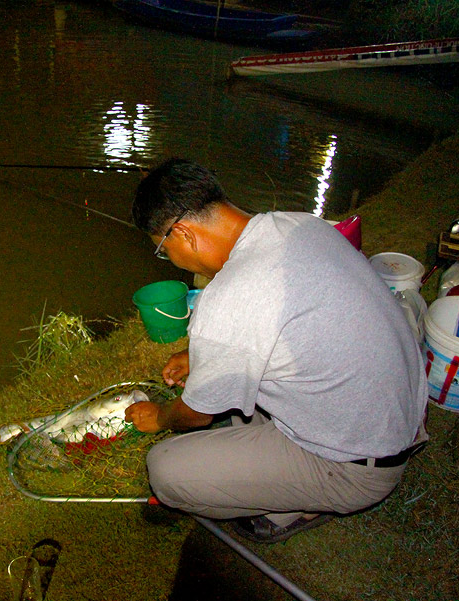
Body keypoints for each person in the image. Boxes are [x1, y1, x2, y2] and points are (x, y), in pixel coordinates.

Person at [125, 158, 428, 543]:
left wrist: (160, 417)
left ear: (183, 234)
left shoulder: (229, 299)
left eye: (164, 251)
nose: (173, 261)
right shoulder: (300, 223)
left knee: (165, 469)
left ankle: (296, 506)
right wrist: (205, 355)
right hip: (402, 414)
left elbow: (194, 417)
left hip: (359, 465)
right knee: (238, 408)